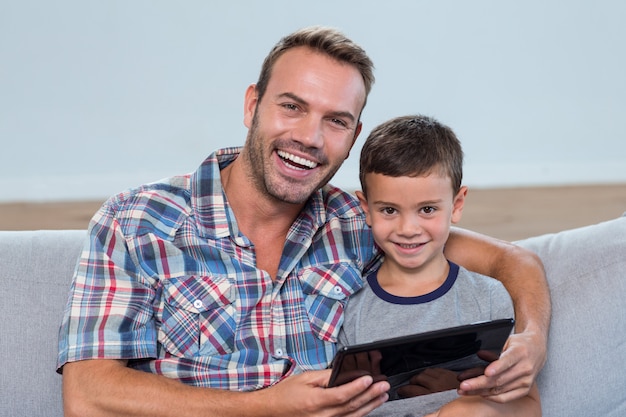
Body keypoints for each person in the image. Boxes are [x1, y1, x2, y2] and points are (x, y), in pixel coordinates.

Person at [57, 26, 549, 417]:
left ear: (353, 136)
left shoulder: (361, 221)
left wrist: (531, 339)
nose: (309, 137)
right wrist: (263, 407)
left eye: (335, 121)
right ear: (253, 105)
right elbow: (89, 395)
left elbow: (512, 259)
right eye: (292, 107)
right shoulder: (137, 221)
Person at [338, 115, 541, 416]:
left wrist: (465, 404)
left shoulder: (487, 297)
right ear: (366, 208)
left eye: (427, 209)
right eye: (389, 210)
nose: (408, 228)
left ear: (457, 205)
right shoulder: (351, 308)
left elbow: (529, 407)